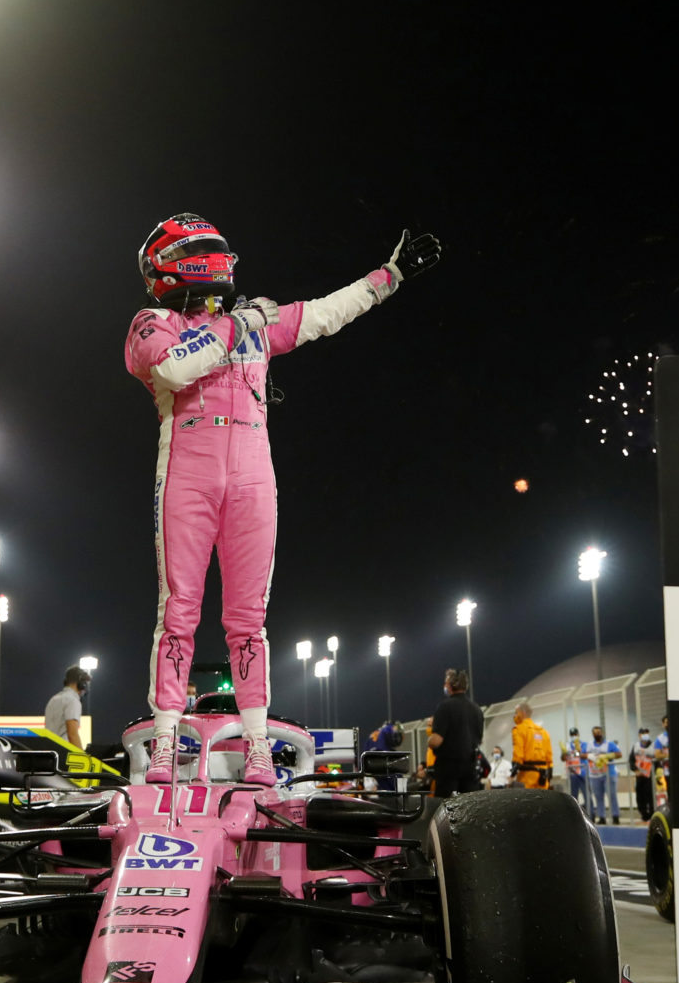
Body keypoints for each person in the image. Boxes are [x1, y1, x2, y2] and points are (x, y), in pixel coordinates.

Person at [127, 213, 442, 784]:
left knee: (249, 621)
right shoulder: (152, 323)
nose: (152, 282)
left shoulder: (250, 322)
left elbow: (324, 314)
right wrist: (241, 324)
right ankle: (167, 745)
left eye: (155, 270)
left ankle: (256, 750)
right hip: (187, 473)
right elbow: (175, 368)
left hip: (252, 476)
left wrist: (388, 277)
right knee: (178, 614)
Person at [427, 670, 485, 796]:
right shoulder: (477, 709)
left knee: (446, 807)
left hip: (448, 768)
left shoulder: (445, 707)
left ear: (449, 685)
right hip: (470, 766)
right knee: (469, 807)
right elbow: (479, 740)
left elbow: (436, 741)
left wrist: (429, 739)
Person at [584, 724, 623, 825]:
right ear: (593, 734)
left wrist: (607, 755)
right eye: (595, 733)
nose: (597, 734)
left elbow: (619, 754)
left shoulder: (609, 744)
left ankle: (615, 816)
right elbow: (582, 754)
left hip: (608, 774)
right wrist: (589, 755)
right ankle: (602, 817)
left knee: (612, 796)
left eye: (599, 732)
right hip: (594, 775)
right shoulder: (589, 745)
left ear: (602, 733)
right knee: (598, 797)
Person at [45, 666, 91, 746]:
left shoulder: (53, 699)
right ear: (81, 684)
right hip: (64, 752)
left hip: (51, 753)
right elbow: (72, 735)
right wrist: (83, 757)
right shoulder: (73, 701)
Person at [509, 703, 553, 789]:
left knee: (526, 801)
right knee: (542, 801)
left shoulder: (519, 729)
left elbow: (518, 755)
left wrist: (512, 774)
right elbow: (549, 755)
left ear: (523, 713)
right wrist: (550, 771)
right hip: (543, 776)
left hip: (526, 776)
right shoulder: (543, 732)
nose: (515, 715)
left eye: (516, 712)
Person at [632, 725, 658, 820]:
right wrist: (635, 770)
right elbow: (631, 760)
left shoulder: (654, 745)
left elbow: (657, 760)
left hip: (650, 775)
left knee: (650, 795)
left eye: (646, 733)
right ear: (639, 735)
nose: (645, 735)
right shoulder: (635, 746)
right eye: (643, 733)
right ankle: (643, 814)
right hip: (639, 775)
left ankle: (652, 813)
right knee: (640, 794)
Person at [564, 727, 587, 807]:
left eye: (575, 734)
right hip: (572, 774)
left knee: (586, 794)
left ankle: (591, 814)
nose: (574, 736)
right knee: (574, 796)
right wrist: (564, 753)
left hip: (582, 772)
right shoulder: (567, 746)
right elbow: (563, 757)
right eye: (572, 734)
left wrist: (575, 753)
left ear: (578, 734)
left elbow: (585, 755)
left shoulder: (584, 744)